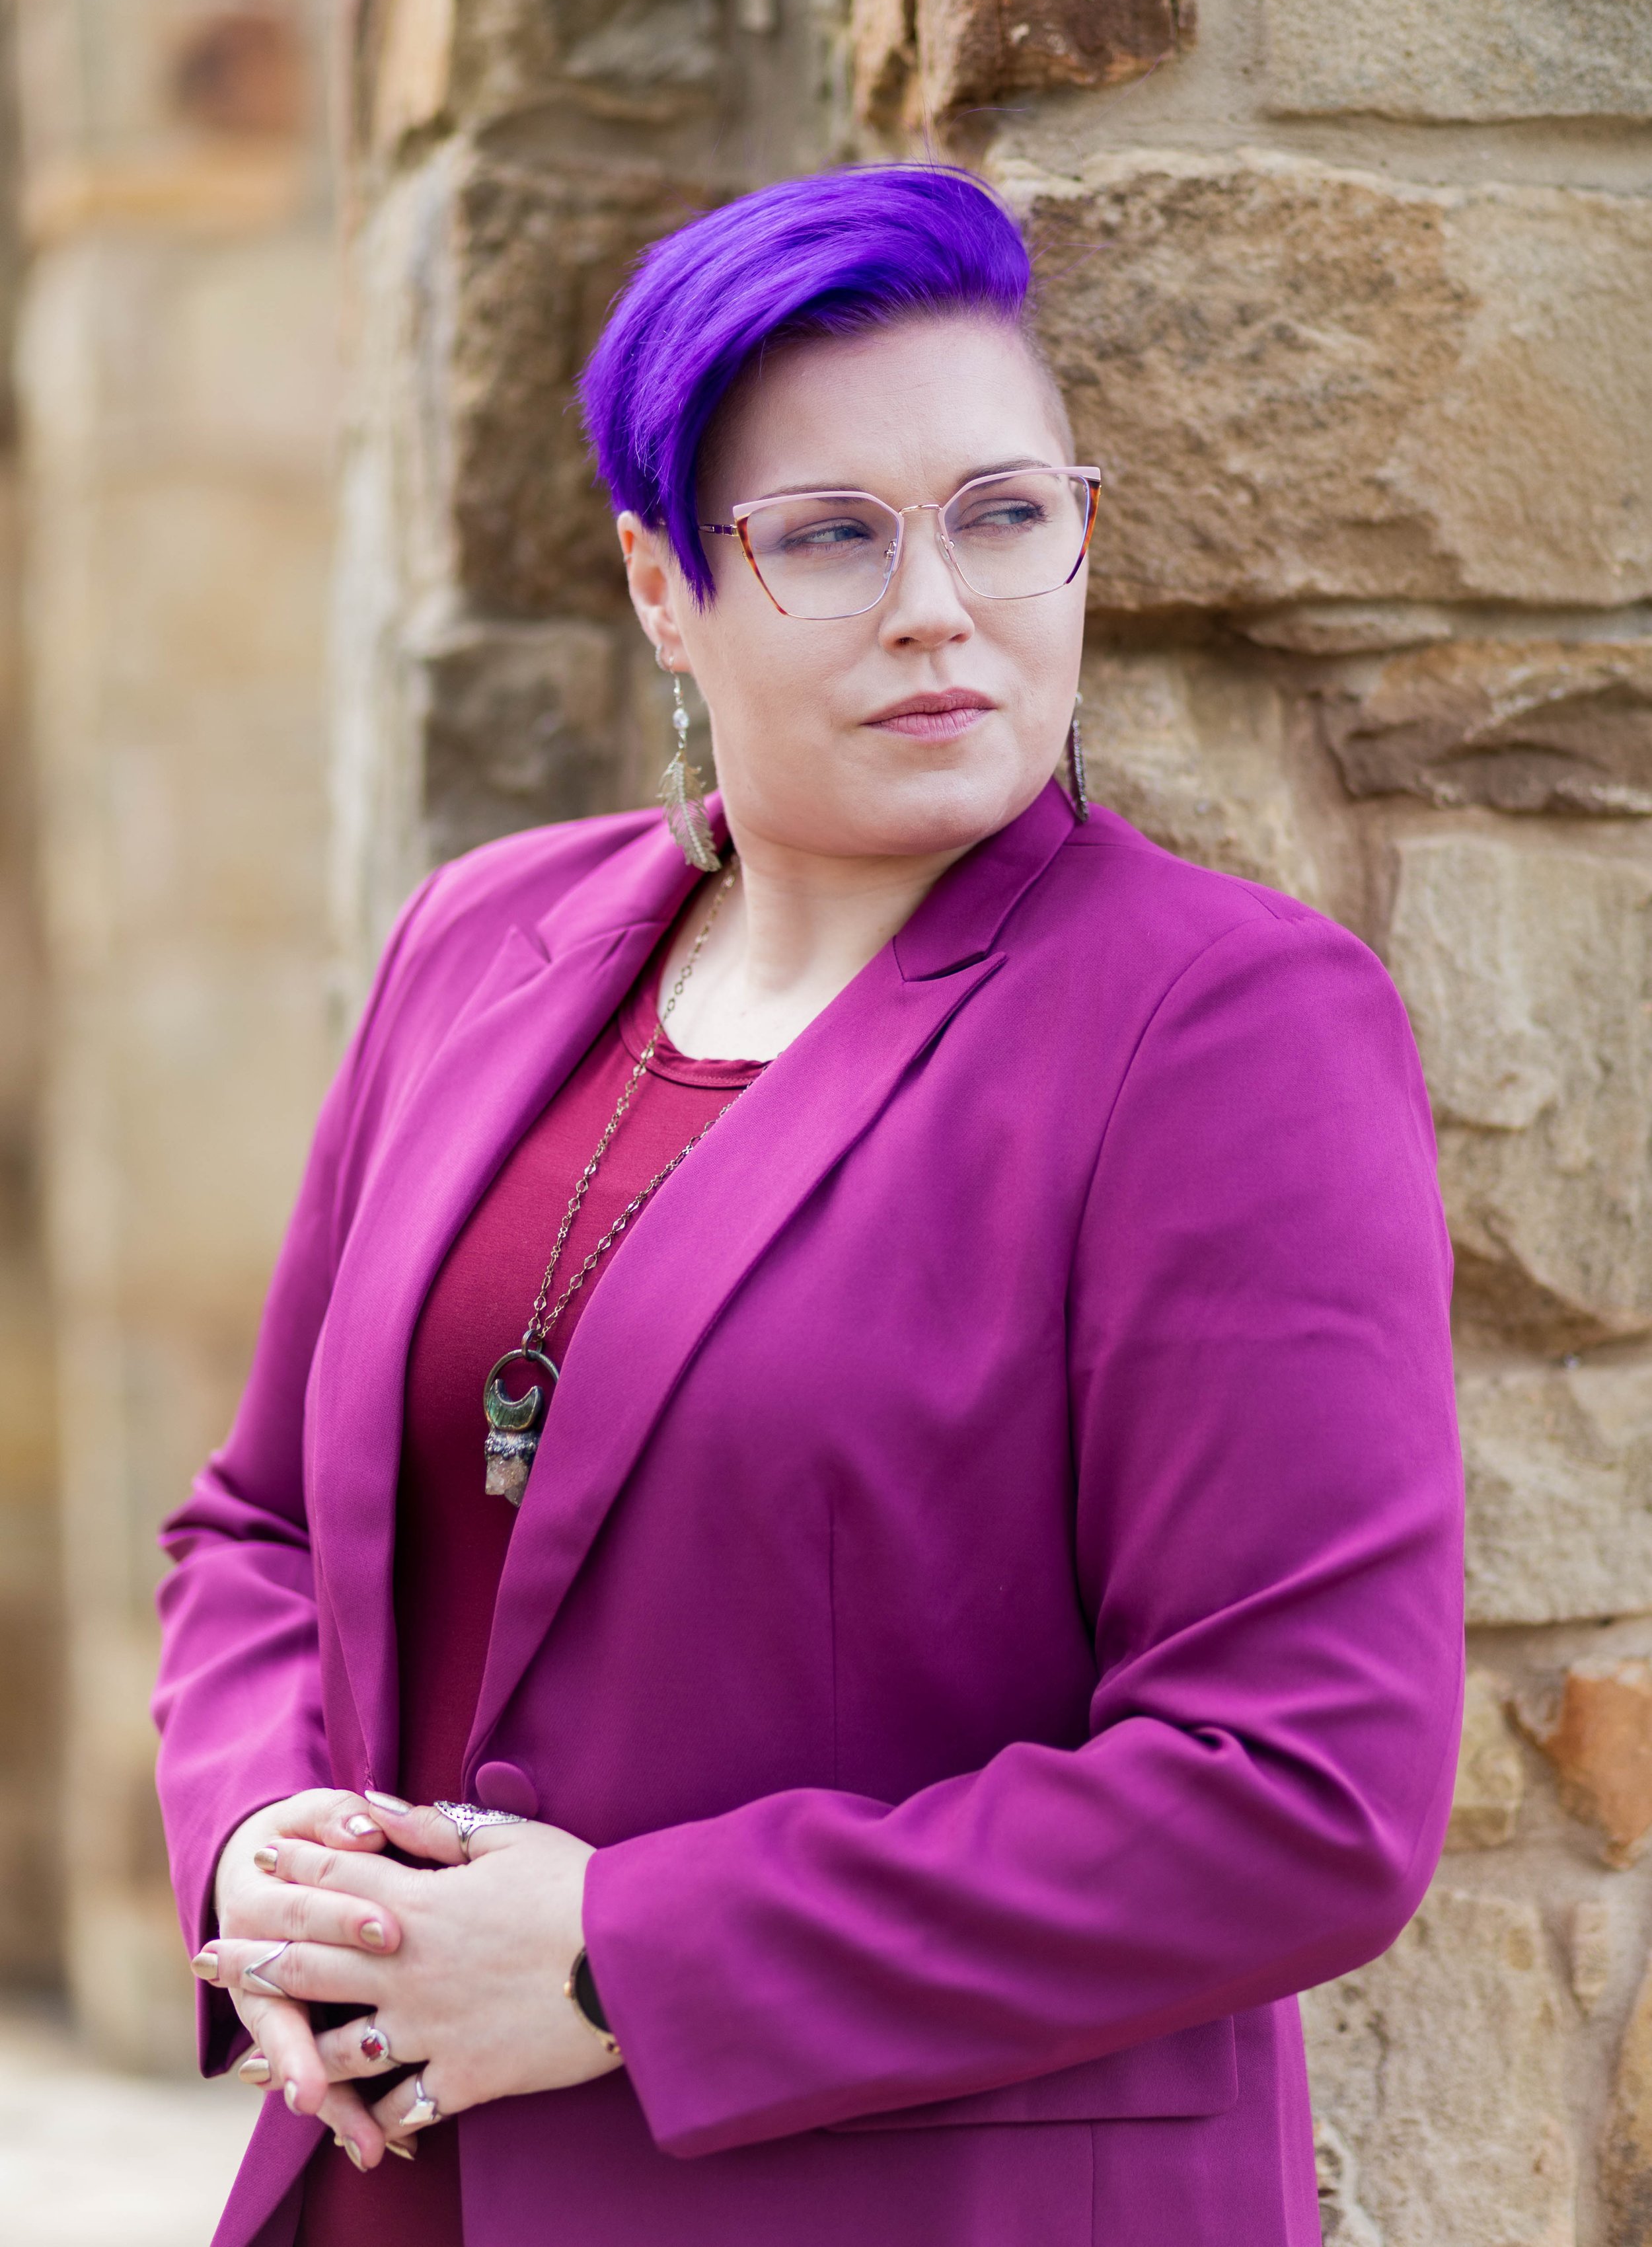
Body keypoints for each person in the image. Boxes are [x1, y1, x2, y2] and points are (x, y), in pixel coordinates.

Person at [153, 164, 1464, 2247]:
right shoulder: (478, 943)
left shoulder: (1222, 1030)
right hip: (388, 2195)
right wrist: (251, 1845)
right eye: (832, 536)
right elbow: (258, 1535)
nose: (939, 604)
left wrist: (615, 1955)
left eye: (1004, 514)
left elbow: (1297, 1796)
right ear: (663, 589)